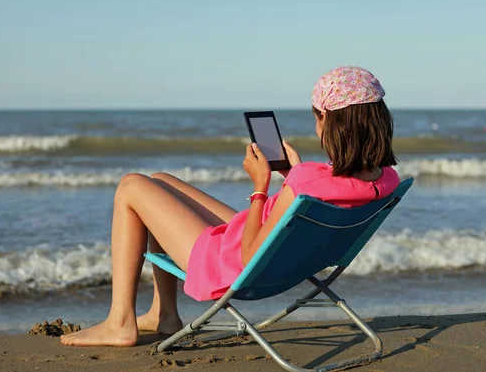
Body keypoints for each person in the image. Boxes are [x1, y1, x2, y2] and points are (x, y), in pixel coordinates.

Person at [60, 66, 400, 347]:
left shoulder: (307, 180)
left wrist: (260, 186)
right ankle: (163, 314)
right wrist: (292, 177)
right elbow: (316, 196)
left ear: (327, 119)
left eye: (317, 118)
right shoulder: (386, 180)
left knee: (132, 185)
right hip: (281, 257)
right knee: (160, 181)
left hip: (233, 264)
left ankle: (120, 321)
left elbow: (250, 255)